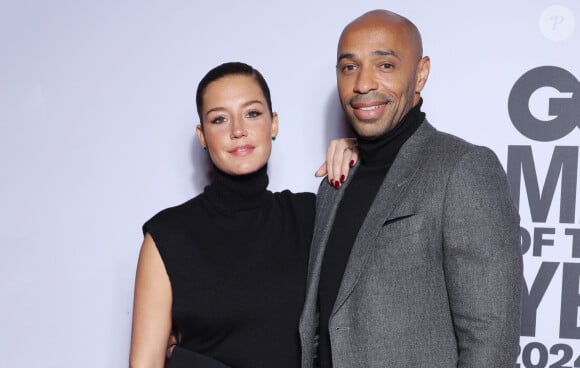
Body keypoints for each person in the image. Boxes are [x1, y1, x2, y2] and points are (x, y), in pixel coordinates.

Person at [298, 9, 523, 368]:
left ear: (420, 74)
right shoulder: (335, 182)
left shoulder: (463, 169)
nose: (363, 84)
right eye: (348, 67)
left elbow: (490, 342)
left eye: (385, 65)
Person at [129, 62, 357, 368]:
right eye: (220, 119)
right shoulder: (168, 235)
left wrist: (362, 153)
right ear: (202, 135)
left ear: (273, 124)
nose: (238, 130)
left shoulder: (309, 215)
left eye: (252, 113)